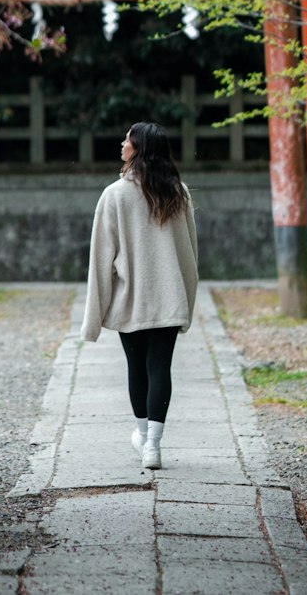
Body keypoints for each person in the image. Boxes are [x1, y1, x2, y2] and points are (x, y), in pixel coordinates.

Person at [81, 121, 199, 471]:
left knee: (137, 368)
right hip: (170, 297)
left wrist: (93, 319)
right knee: (160, 366)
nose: (122, 144)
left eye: (128, 140)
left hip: (131, 298)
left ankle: (142, 435)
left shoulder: (114, 195)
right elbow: (190, 254)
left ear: (139, 149)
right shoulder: (179, 193)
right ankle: (154, 447)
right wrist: (186, 302)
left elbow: (100, 259)